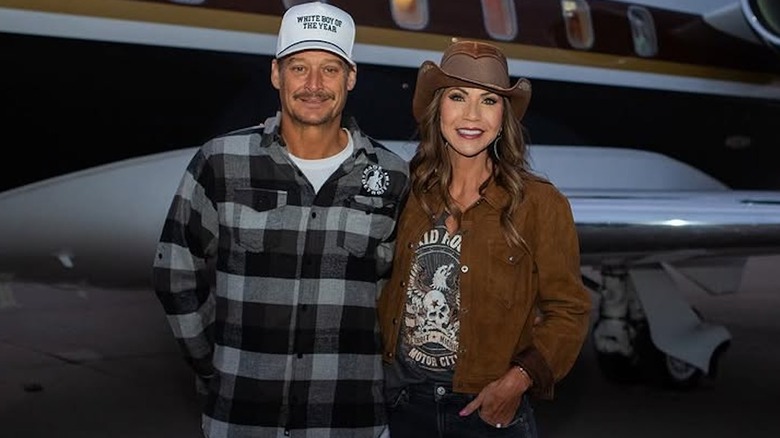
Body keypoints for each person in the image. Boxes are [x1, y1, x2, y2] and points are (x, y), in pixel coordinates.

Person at [152, 2, 409, 437]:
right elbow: (176, 269)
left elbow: (401, 293)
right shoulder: (222, 161)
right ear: (276, 74)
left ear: (351, 78)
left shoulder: (392, 174)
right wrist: (213, 363)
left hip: (350, 420)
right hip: (241, 417)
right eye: (299, 68)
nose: (313, 85)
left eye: (330, 69)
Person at [377, 40, 592, 437]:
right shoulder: (406, 194)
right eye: (457, 97)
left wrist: (517, 382)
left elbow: (570, 311)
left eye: (489, 100)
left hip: (489, 413)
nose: (472, 115)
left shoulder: (540, 204)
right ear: (437, 108)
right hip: (404, 407)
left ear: (503, 116)